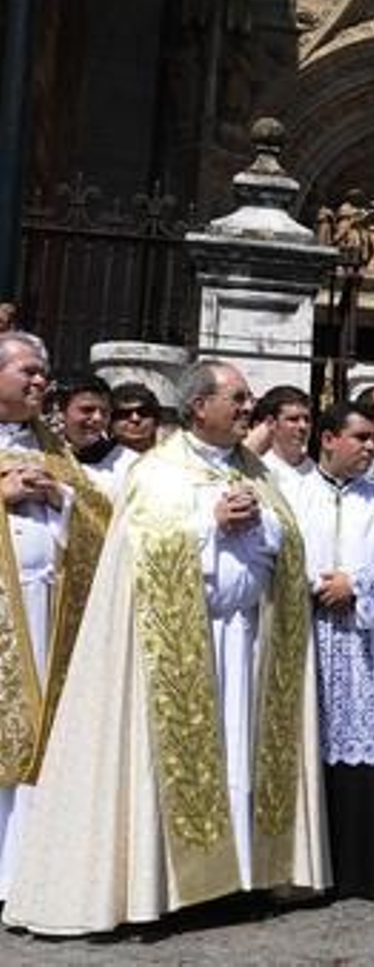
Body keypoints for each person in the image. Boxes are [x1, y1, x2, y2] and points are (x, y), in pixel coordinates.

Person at [4, 360, 327, 934]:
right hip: (186, 646)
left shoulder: (254, 470)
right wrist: (210, 523)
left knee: (242, 764)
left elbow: (287, 539)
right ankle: (179, 890)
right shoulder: (158, 472)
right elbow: (139, 547)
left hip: (249, 643)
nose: (248, 408)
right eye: (238, 398)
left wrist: (264, 528)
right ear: (199, 406)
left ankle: (243, 878)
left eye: (249, 398)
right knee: (181, 766)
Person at [288, 401, 374, 900]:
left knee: (364, 757)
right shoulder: (294, 494)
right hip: (306, 640)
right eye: (361, 437)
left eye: (373, 438)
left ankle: (364, 871)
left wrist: (358, 585)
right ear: (327, 439)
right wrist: (313, 587)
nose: (372, 446)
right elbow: (275, 555)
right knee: (307, 750)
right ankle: (306, 873)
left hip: (365, 646)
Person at [0, 335, 111, 901]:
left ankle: (25, 871)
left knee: (43, 732)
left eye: (43, 374)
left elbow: (100, 516)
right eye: (29, 371)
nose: (41, 382)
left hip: (47, 611)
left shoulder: (53, 446)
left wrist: (61, 495)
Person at [50, 371, 139, 500]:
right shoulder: (44, 455)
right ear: (63, 411)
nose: (98, 418)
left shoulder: (130, 464)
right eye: (87, 410)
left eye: (104, 412)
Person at [252, 385, 315, 489]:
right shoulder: (258, 474)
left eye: (307, 419)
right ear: (271, 423)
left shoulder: (319, 474)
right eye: (293, 419)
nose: (303, 426)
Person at [108, 381, 162, 453]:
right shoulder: (97, 461)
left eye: (144, 412)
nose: (135, 419)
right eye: (124, 414)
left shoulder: (176, 452)